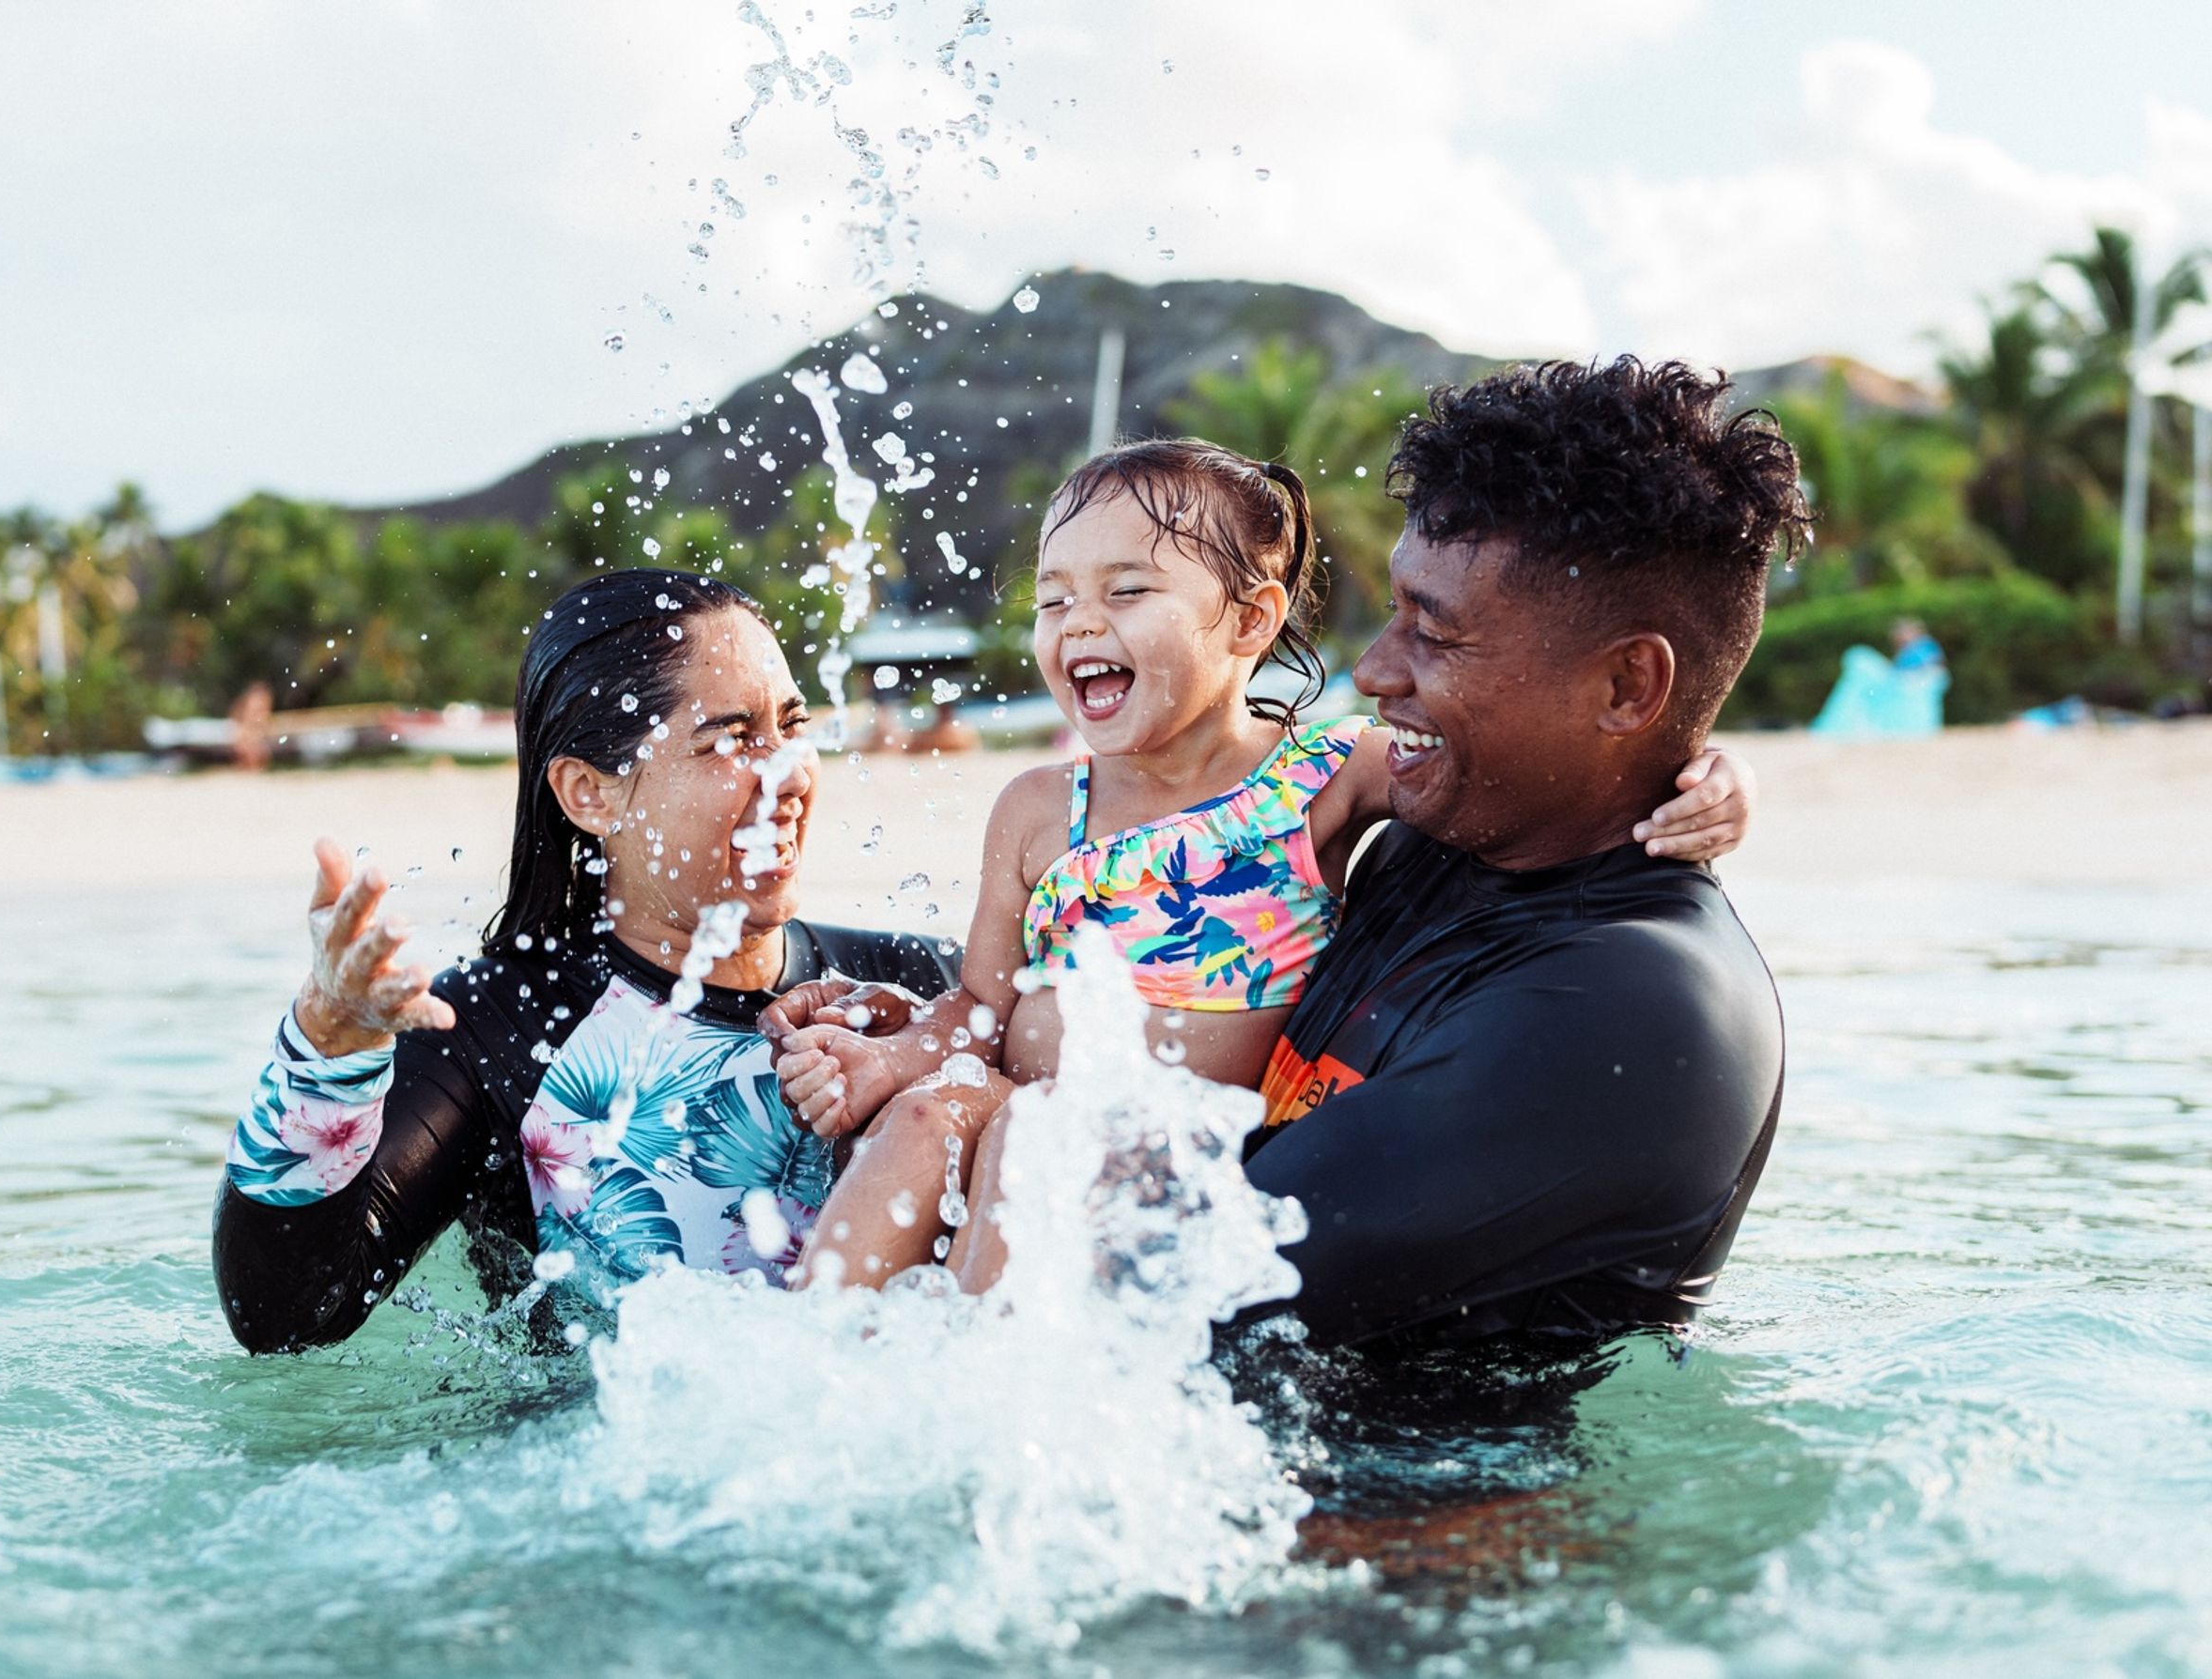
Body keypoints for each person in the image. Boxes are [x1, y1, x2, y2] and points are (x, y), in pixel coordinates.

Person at [775, 439, 1756, 1291]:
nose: (1078, 624)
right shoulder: (1036, 810)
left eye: (1127, 591)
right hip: (1025, 1097)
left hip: (1178, 1143)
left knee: (1035, 1144)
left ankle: (974, 1395)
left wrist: (1710, 777)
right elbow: (978, 1008)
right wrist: (889, 1060)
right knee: (917, 1123)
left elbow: (1530, 759)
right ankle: (820, 1372)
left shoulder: (1318, 775)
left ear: (1251, 622)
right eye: (1054, 598)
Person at [211, 568, 956, 1353]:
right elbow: (284, 1318)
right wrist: (327, 1052)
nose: (788, 772)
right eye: (731, 739)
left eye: (792, 726)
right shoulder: (498, 1031)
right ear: (589, 794)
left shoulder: (921, 988)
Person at [1230, 359, 1802, 1349]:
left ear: (1626, 688)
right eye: (1395, 611)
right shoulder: (1448, 836)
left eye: (1436, 635)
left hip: (1401, 1504)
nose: (1371, 668)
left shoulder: (1636, 1009)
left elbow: (1174, 1270)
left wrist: (971, 1109)